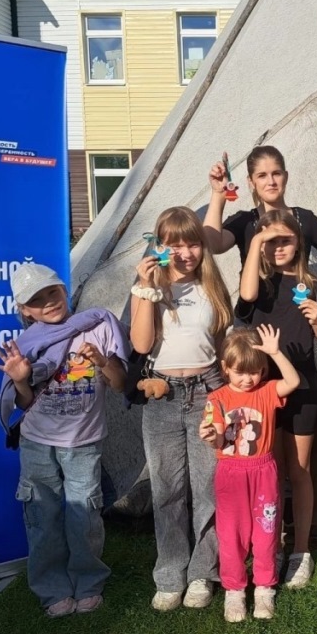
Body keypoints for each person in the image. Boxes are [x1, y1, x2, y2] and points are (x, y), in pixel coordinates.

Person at [0, 262, 129, 617]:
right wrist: (20, 378)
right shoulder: (26, 345)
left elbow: (119, 384)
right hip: (37, 444)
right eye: (36, 300)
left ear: (64, 290)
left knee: (84, 516)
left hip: (83, 444)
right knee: (43, 516)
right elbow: (25, 402)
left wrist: (102, 361)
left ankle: (88, 582)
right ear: (24, 310)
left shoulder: (98, 326)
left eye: (52, 292)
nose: (48, 302)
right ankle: (52, 589)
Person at [129, 207, 233, 612]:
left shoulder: (212, 287)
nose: (185, 253)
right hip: (163, 396)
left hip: (208, 392)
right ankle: (171, 573)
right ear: (161, 246)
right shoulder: (149, 288)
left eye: (192, 243)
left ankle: (203, 571)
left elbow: (220, 344)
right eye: (175, 245)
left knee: (208, 488)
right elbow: (141, 345)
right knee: (167, 490)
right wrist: (144, 287)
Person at [237, 208, 317, 588]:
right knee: (270, 472)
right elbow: (245, 296)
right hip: (264, 388)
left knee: (299, 470)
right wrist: (257, 241)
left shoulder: (312, 285)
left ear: (299, 242)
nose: (278, 247)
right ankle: (271, 542)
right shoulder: (259, 285)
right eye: (270, 241)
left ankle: (301, 549)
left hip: (303, 387)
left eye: (285, 240)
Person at [200, 325, 301, 622]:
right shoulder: (217, 398)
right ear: (225, 368)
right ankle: (234, 590)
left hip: (263, 473)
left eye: (255, 372)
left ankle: (264, 588)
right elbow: (218, 439)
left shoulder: (267, 391)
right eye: (240, 373)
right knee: (231, 534)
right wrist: (211, 437)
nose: (247, 379)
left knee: (266, 532)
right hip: (231, 474)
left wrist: (275, 353)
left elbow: (293, 381)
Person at [202, 145, 317, 266]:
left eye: (276, 173)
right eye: (262, 176)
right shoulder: (244, 221)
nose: (271, 182)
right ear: (251, 182)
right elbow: (212, 245)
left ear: (285, 177)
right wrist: (218, 193)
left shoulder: (305, 218)